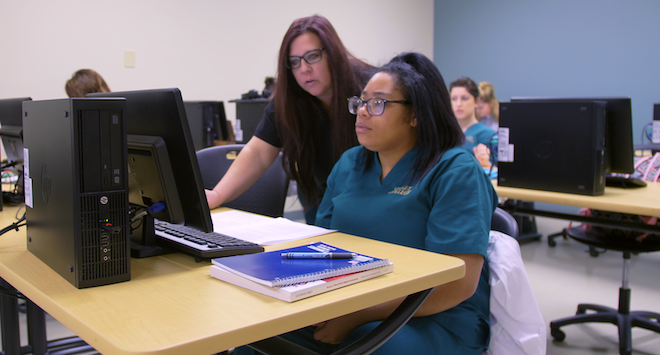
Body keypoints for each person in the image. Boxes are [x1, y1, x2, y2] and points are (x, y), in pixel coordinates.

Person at [235, 53, 497, 355]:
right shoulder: (349, 164)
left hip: (437, 316)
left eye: (378, 103)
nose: (362, 112)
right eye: (360, 102)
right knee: (253, 335)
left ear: (416, 115)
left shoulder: (454, 171)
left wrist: (358, 314)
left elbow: (458, 283)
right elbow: (323, 250)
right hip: (351, 300)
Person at [205, 15, 375, 224]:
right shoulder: (290, 101)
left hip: (371, 202)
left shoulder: (370, 89)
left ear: (333, 54)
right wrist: (217, 195)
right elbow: (258, 153)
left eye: (312, 56)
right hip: (320, 202)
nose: (304, 69)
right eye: (294, 62)